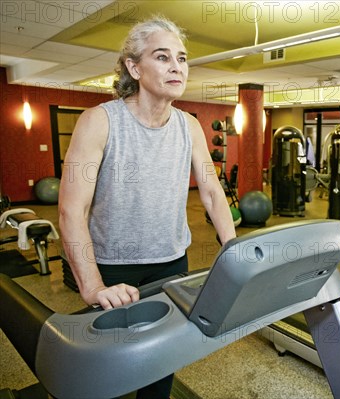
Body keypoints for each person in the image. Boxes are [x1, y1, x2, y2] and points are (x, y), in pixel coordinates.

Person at [58, 16, 236, 398]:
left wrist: (233, 246)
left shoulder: (189, 125)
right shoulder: (99, 122)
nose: (177, 66)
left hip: (171, 262)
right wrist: (92, 287)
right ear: (134, 68)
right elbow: (71, 211)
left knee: (161, 364)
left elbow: (211, 191)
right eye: (162, 56)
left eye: (183, 58)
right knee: (105, 369)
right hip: (111, 265)